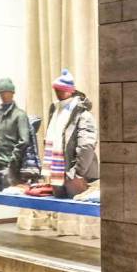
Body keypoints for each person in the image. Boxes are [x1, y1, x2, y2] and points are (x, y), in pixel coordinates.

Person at [44, 69, 99, 198]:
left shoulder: (83, 115)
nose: (58, 92)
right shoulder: (55, 111)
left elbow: (86, 145)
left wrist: (77, 173)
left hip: (75, 175)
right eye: (56, 89)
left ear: (70, 90)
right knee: (61, 211)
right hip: (57, 172)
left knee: (79, 212)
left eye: (61, 89)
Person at [0, 78, 30, 191]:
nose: (4, 95)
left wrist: (12, 163)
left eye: (6, 92)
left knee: (12, 203)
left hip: (11, 171)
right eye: (1, 92)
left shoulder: (19, 115)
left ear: (12, 93)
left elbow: (24, 141)